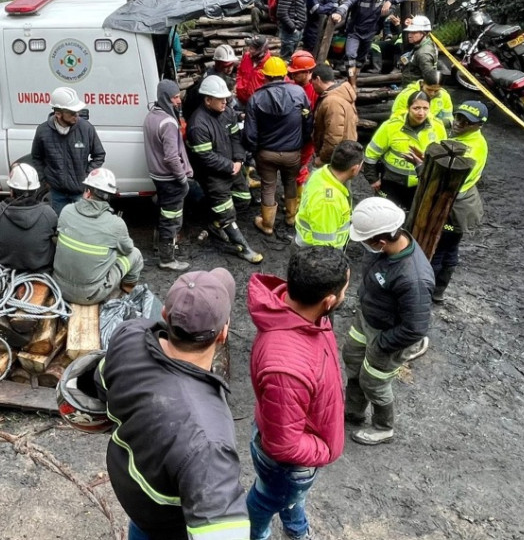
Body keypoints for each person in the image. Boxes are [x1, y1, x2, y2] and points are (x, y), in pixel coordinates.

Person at [97, 268, 249, 540]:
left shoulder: (128, 334)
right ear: (223, 333)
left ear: (165, 314)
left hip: (135, 493)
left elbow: (101, 384)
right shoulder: (207, 438)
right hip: (167, 526)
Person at [246, 246, 348, 540]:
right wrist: (326, 450)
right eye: (344, 290)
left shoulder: (305, 316)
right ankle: (257, 534)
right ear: (328, 301)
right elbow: (283, 445)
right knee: (267, 499)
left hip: (291, 434)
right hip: (292, 462)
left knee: (288, 497)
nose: (345, 295)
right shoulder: (286, 368)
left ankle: (295, 527)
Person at [342, 197, 433, 445]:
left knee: (374, 381)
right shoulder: (383, 249)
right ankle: (353, 411)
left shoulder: (413, 278)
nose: (362, 245)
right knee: (352, 358)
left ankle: (383, 427)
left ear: (380, 241)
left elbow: (415, 327)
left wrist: (382, 344)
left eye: (364, 240)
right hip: (368, 319)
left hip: (387, 335)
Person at [186, 75, 262, 263]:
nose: (226, 101)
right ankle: (242, 248)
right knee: (227, 212)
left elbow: (236, 137)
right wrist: (230, 166)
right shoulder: (198, 124)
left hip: (233, 168)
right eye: (221, 99)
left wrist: (238, 159)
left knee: (244, 199)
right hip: (214, 176)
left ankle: (215, 221)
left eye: (226, 98)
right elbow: (205, 157)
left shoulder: (227, 112)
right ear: (207, 100)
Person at [52, 168, 143, 305]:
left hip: (59, 287)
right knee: (135, 254)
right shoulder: (116, 224)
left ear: (88, 192)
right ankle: (126, 291)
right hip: (91, 295)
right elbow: (127, 250)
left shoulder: (66, 211)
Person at [244, 56, 312, 236]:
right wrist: (301, 142)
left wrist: (254, 150)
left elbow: (250, 134)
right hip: (292, 152)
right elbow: (308, 123)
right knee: (290, 181)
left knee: (268, 186)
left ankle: (267, 224)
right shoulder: (299, 93)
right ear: (284, 74)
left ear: (265, 77)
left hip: (266, 153)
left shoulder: (256, 98)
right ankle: (291, 217)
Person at [431, 101, 489, 303]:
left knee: (440, 249)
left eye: (466, 122)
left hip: (455, 207)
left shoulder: (472, 148)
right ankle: (437, 291)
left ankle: (432, 290)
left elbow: (449, 179)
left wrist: (422, 167)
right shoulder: (464, 139)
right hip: (461, 204)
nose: (459, 124)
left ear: (478, 125)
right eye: (458, 118)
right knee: (449, 248)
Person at [363, 91, 447, 210]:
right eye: (416, 108)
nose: (421, 113)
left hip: (420, 185)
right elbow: (371, 154)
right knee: (383, 214)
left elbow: (442, 157)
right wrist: (373, 179)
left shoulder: (438, 127)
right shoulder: (390, 126)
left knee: (413, 219)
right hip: (391, 183)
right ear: (408, 108)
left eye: (425, 108)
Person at [30, 86, 106, 215]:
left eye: (77, 112)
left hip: (80, 193)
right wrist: (46, 180)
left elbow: (99, 155)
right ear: (58, 114)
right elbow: (36, 157)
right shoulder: (43, 131)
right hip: (57, 193)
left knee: (80, 228)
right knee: (61, 227)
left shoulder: (86, 129)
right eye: (72, 113)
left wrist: (86, 176)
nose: (76, 116)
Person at [143, 80, 193, 271]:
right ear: (166, 98)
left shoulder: (151, 116)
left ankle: (161, 248)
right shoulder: (168, 122)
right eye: (175, 97)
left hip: (158, 177)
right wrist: (182, 179)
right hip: (171, 179)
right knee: (172, 219)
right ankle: (167, 259)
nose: (178, 101)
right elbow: (172, 157)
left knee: (164, 212)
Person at [331, 0, 409, 80]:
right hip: (355, 32)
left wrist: (390, 1)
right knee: (350, 56)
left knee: (360, 60)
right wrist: (339, 13)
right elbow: (347, 3)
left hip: (369, 34)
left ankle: (354, 80)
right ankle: (351, 83)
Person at [0, 163, 58, 273]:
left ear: (11, 190)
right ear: (36, 190)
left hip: (5, 268)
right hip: (39, 268)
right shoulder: (48, 213)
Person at [295, 140, 363, 248]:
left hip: (304, 246)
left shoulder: (320, 174)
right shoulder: (329, 202)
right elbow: (323, 248)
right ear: (354, 169)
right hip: (314, 256)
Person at [311, 69, 358, 168]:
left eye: (312, 81)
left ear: (318, 79)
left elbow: (334, 137)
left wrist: (322, 159)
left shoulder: (332, 102)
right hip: (346, 153)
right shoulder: (342, 93)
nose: (312, 85)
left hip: (336, 159)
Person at [287, 51, 319, 189]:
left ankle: (299, 198)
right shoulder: (291, 85)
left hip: (306, 138)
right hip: (292, 135)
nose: (293, 75)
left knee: (299, 167)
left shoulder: (314, 91)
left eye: (297, 72)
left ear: (307, 72)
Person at [182, 44, 239, 119]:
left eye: (231, 65)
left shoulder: (212, 72)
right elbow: (226, 105)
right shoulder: (215, 80)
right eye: (226, 66)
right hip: (200, 116)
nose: (230, 68)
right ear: (218, 64)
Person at [399, 15, 438, 87]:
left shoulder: (423, 53)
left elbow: (430, 80)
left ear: (423, 33)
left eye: (414, 32)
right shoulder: (420, 46)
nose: (409, 35)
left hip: (417, 92)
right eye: (409, 32)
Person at [236, 35, 271, 107]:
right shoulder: (246, 56)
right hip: (241, 99)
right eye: (250, 47)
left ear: (261, 50)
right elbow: (240, 71)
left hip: (257, 105)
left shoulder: (270, 64)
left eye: (252, 48)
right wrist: (238, 84)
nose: (249, 50)